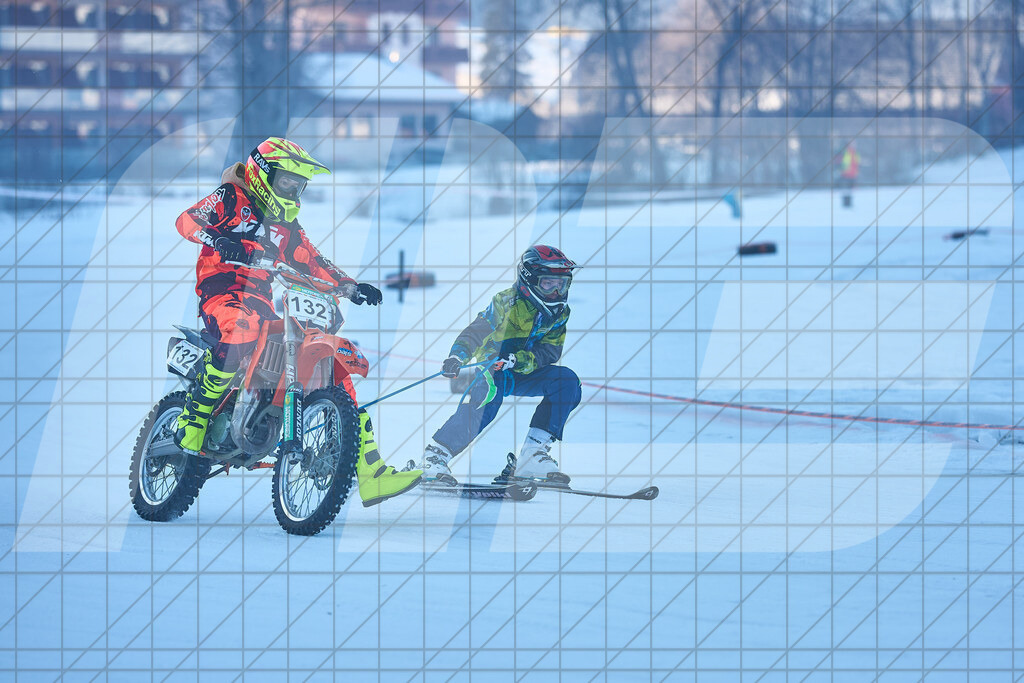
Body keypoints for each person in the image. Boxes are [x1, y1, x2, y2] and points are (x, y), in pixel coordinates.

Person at [173, 136, 420, 506]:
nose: (292, 189)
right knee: (244, 329)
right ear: (262, 173)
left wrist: (350, 287)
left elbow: (312, 260)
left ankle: (370, 472)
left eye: (297, 184)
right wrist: (220, 239)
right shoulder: (231, 198)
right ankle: (194, 418)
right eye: (286, 180)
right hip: (222, 290)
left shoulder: (286, 225)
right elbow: (187, 220)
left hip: (260, 299)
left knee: (324, 360)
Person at [419, 245, 583, 485]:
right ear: (530, 279)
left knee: (567, 382)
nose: (557, 291)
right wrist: (457, 357)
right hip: (492, 369)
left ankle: (532, 456)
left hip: (524, 370)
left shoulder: (560, 312)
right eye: (549, 284)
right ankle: (436, 455)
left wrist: (518, 360)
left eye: (562, 284)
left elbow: (550, 350)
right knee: (488, 399)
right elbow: (476, 331)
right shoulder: (506, 302)